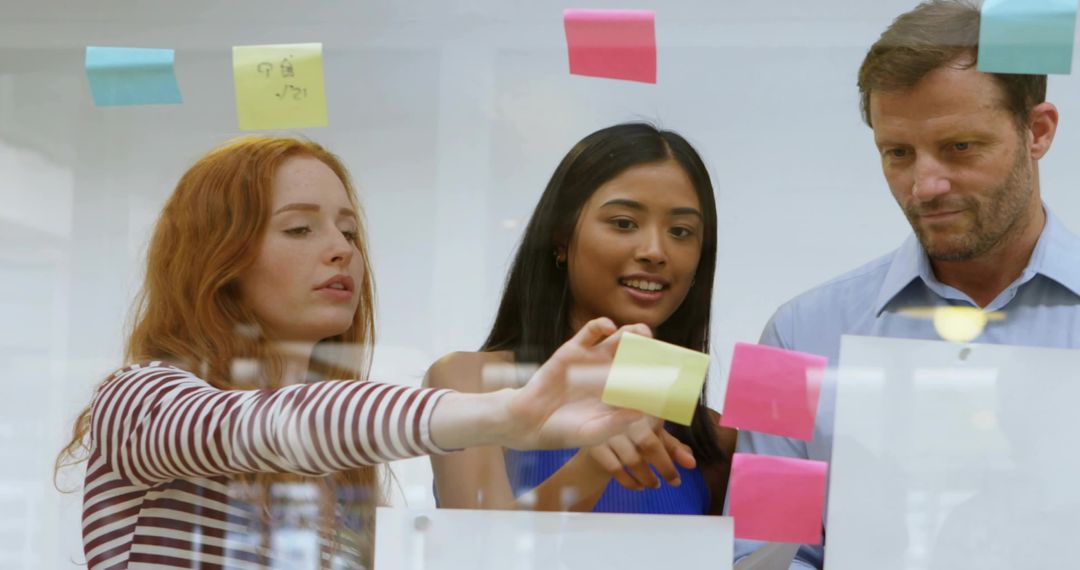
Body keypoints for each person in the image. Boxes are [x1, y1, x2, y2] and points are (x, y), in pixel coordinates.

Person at [55, 136, 654, 569]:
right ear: (218, 260)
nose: (341, 249)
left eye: (348, 230)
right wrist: (507, 413)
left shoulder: (342, 468)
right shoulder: (136, 398)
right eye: (298, 228)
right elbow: (266, 426)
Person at [731, 1, 1080, 567]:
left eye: (959, 147)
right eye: (898, 154)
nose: (925, 185)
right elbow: (756, 557)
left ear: (1037, 132)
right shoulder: (792, 336)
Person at [428, 123, 736, 514]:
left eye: (681, 231)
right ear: (561, 237)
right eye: (624, 223)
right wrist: (593, 464)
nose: (656, 251)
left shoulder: (716, 440)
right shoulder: (470, 382)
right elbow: (479, 554)